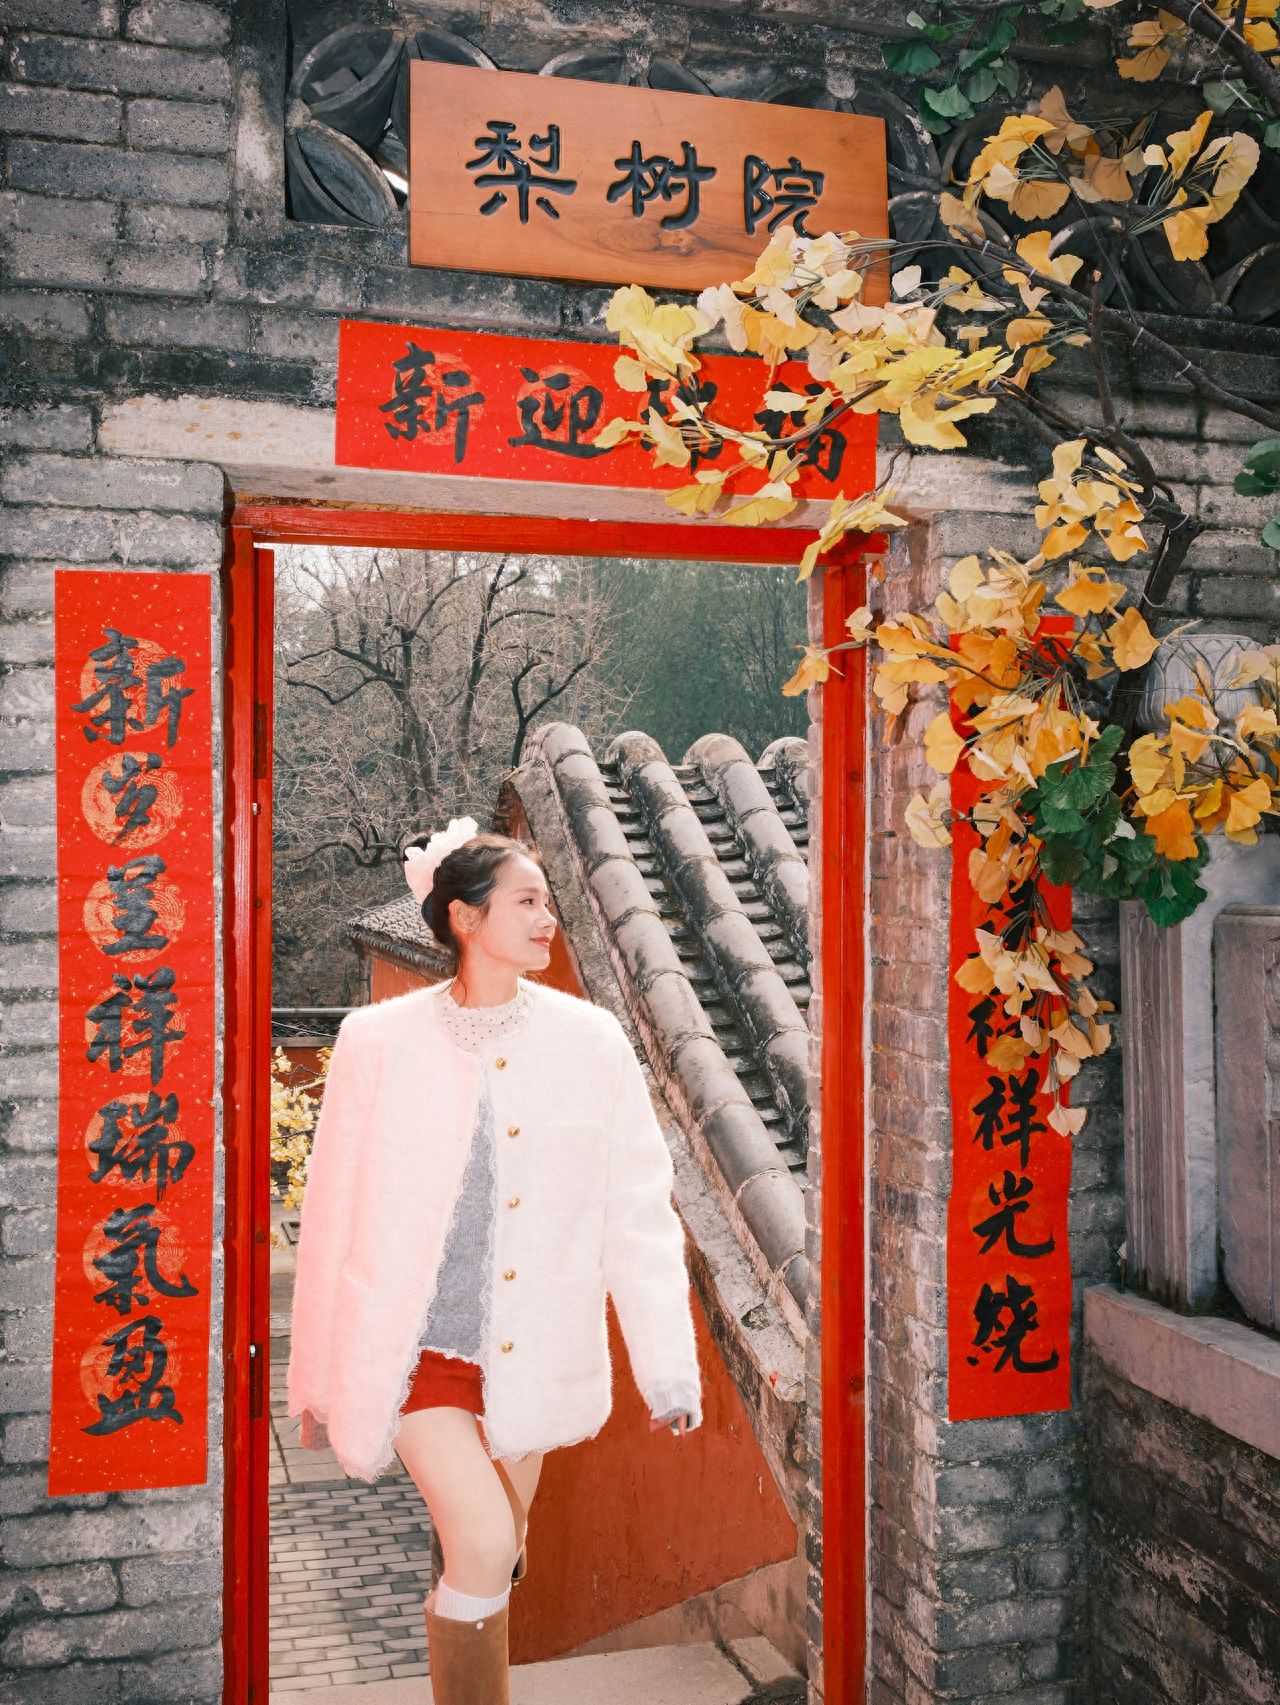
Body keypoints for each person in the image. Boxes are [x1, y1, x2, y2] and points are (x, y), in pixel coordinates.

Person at [286, 817, 702, 1705]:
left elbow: (639, 1214)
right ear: (467, 919)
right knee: (480, 1542)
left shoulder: (591, 1042)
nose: (549, 919)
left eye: (548, 902)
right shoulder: (377, 1041)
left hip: (532, 1353)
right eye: (528, 901)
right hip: (415, 1352)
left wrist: (669, 1370)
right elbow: (331, 1213)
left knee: (497, 1550)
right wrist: (314, 1374)